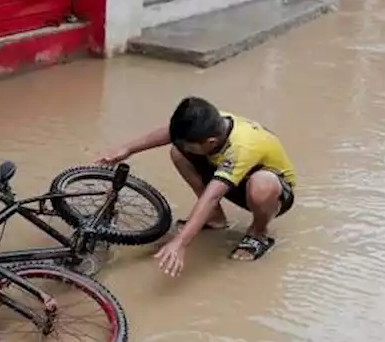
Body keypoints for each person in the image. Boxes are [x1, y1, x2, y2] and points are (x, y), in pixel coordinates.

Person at [98, 97, 297, 276]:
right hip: (233, 175)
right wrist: (128, 149)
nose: (186, 147)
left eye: (190, 144)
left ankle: (258, 233)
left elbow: (211, 196)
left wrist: (180, 243)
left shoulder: (242, 147)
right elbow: (171, 133)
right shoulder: (214, 122)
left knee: (261, 184)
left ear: (211, 142)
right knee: (178, 152)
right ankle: (215, 219)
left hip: (273, 192)